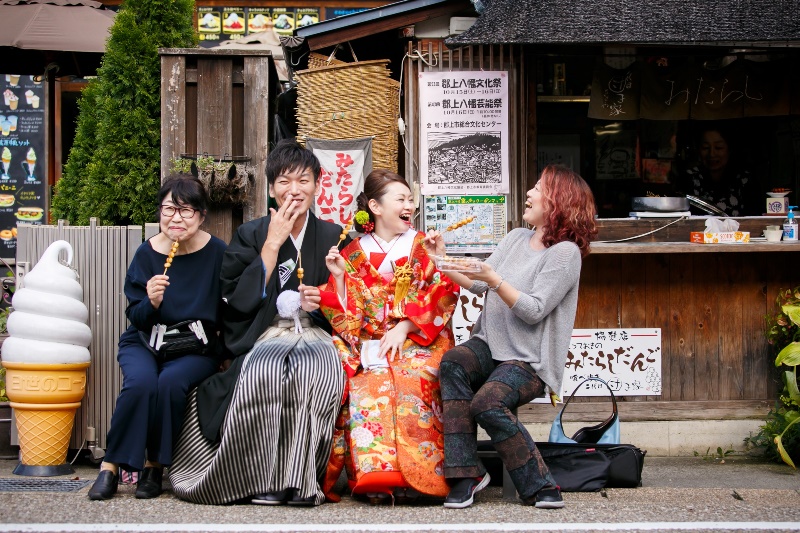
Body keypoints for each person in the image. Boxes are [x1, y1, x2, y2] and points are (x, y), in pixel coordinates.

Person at [168, 140, 346, 506]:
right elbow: (234, 299)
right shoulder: (251, 233)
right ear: (271, 188)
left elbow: (356, 298)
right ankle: (260, 478)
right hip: (265, 333)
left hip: (317, 335)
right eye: (284, 182)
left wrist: (326, 297)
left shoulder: (335, 236)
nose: (294, 191)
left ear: (318, 184)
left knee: (315, 374)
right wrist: (272, 244)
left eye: (303, 180)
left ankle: (300, 480)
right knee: (263, 374)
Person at [429, 164, 597, 509]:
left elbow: (534, 309)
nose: (529, 193)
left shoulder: (564, 253)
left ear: (557, 201)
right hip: (490, 345)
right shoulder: (516, 237)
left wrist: (495, 280)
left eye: (538, 188)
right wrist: (440, 259)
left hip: (529, 360)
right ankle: (465, 475)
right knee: (454, 363)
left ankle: (540, 485)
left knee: (487, 403)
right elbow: (477, 282)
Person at [318, 170, 459, 503]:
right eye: (401, 199)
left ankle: (422, 478)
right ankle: (376, 476)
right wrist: (338, 279)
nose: (410, 205)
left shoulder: (423, 244)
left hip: (421, 335)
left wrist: (405, 326)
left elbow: (444, 289)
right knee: (362, 379)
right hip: (368, 338)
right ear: (375, 207)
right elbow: (344, 308)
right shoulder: (352, 251)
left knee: (413, 377)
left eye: (411, 199)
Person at [88, 175, 227, 500]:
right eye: (168, 209)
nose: (176, 218)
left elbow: (226, 309)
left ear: (201, 215)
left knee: (169, 384)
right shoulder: (147, 254)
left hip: (193, 347)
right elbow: (135, 317)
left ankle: (154, 466)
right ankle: (110, 466)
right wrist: (150, 302)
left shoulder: (217, 252)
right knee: (140, 383)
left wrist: (224, 351)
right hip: (145, 340)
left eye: (186, 211)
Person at [679, 125, 759, 216]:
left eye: (718, 147)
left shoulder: (744, 179)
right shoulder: (689, 178)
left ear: (730, 149)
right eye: (705, 147)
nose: (712, 154)